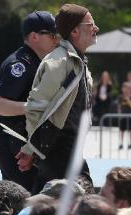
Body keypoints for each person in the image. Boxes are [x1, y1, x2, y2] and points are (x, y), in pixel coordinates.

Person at [16, 4, 99, 192]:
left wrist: (34, 151)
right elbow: (36, 107)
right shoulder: (60, 62)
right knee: (84, 199)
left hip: (65, 148)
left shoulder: (75, 59)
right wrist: (34, 149)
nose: (95, 29)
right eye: (91, 24)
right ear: (75, 31)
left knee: (53, 204)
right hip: (58, 147)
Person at [0, 11, 58, 193]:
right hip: (15, 146)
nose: (56, 39)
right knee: (28, 202)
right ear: (34, 36)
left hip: (23, 145)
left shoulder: (37, 62)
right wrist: (35, 108)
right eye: (51, 34)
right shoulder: (21, 64)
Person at [117, 81, 131, 149]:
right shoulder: (120, 97)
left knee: (130, 130)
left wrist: (127, 99)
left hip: (130, 116)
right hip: (122, 116)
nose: (126, 90)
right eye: (125, 88)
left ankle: (130, 143)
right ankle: (121, 143)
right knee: (121, 130)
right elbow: (119, 106)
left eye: (128, 88)